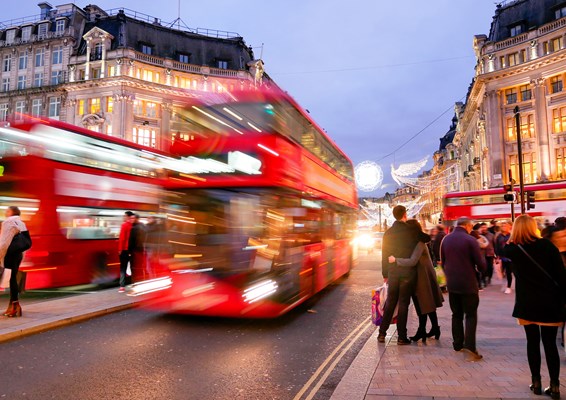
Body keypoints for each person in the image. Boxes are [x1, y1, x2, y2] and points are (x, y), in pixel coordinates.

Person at [504, 215, 566, 400]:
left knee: (532, 343)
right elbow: (561, 276)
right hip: (550, 302)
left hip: (527, 303)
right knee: (550, 345)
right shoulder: (547, 246)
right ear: (534, 227)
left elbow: (506, 248)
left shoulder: (512, 249)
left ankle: (536, 382)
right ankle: (554, 385)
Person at [389, 219, 444, 343]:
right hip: (421, 276)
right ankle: (430, 329)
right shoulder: (417, 241)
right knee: (426, 305)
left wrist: (396, 260)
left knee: (425, 305)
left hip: (423, 278)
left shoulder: (419, 243)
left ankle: (425, 330)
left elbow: (413, 260)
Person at [440, 217, 486, 361]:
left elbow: (443, 261)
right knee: (471, 315)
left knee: (456, 314)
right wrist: (480, 270)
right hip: (468, 283)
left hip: (452, 284)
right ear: (467, 226)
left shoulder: (446, 240)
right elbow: (481, 264)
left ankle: (457, 343)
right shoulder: (470, 240)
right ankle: (470, 346)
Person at [378, 205, 419, 345]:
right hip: (407, 272)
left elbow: (384, 255)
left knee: (391, 302)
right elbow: (422, 243)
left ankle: (382, 334)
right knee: (403, 304)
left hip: (393, 271)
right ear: (404, 215)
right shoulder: (411, 231)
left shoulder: (388, 233)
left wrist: (385, 273)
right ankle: (402, 337)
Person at [0, 206, 29, 317]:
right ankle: (14, 306)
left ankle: (14, 306)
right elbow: (24, 242)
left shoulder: (8, 222)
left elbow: (4, 243)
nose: (5, 212)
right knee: (12, 280)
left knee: (11, 280)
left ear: (12, 212)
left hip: (10, 254)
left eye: (7, 211)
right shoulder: (21, 223)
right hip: (18, 254)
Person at [495, 220, 513, 294]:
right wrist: (496, 256)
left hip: (510, 257)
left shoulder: (512, 235)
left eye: (505, 225)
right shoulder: (499, 236)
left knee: (509, 272)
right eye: (502, 226)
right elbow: (496, 246)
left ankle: (508, 287)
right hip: (501, 257)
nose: (503, 227)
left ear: (509, 226)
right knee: (502, 272)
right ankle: (505, 284)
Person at [118, 211, 134, 293]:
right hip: (132, 250)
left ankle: (122, 286)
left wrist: (120, 249)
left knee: (123, 268)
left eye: (125, 216)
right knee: (132, 267)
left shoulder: (124, 225)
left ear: (128, 217)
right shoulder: (134, 226)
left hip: (124, 249)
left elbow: (122, 239)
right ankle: (132, 284)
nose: (124, 217)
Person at [129, 214, 146, 281]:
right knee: (140, 266)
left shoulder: (134, 228)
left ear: (137, 219)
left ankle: (135, 281)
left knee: (134, 267)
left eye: (133, 218)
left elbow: (131, 241)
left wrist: (129, 251)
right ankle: (141, 280)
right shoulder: (143, 226)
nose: (131, 220)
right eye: (131, 218)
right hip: (141, 250)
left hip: (135, 250)